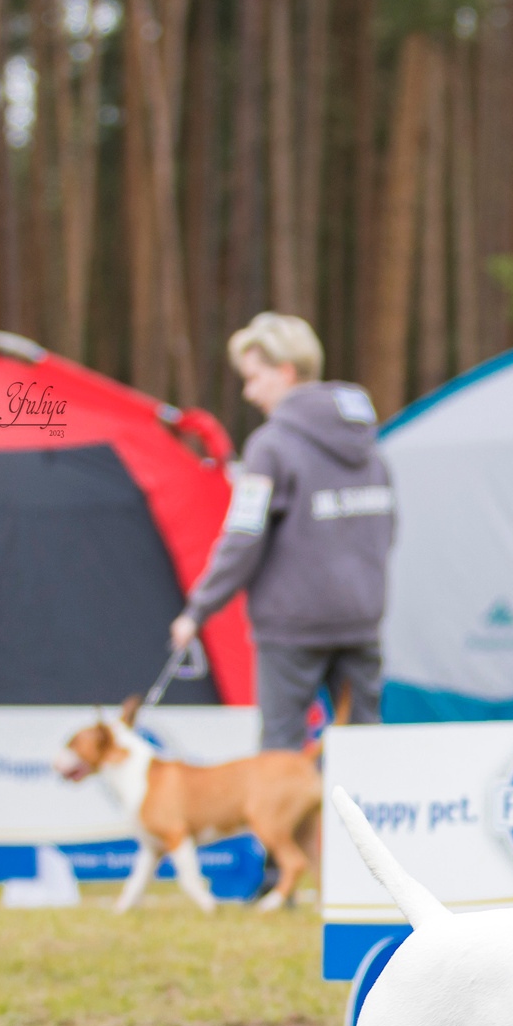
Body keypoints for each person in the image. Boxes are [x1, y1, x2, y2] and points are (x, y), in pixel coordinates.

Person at [170, 314, 396, 754]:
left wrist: (197, 611)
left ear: (285, 372)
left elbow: (243, 537)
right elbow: (388, 527)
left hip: (292, 631)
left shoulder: (270, 446)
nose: (248, 392)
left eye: (254, 378)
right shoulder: (367, 442)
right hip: (362, 620)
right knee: (366, 753)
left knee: (280, 757)